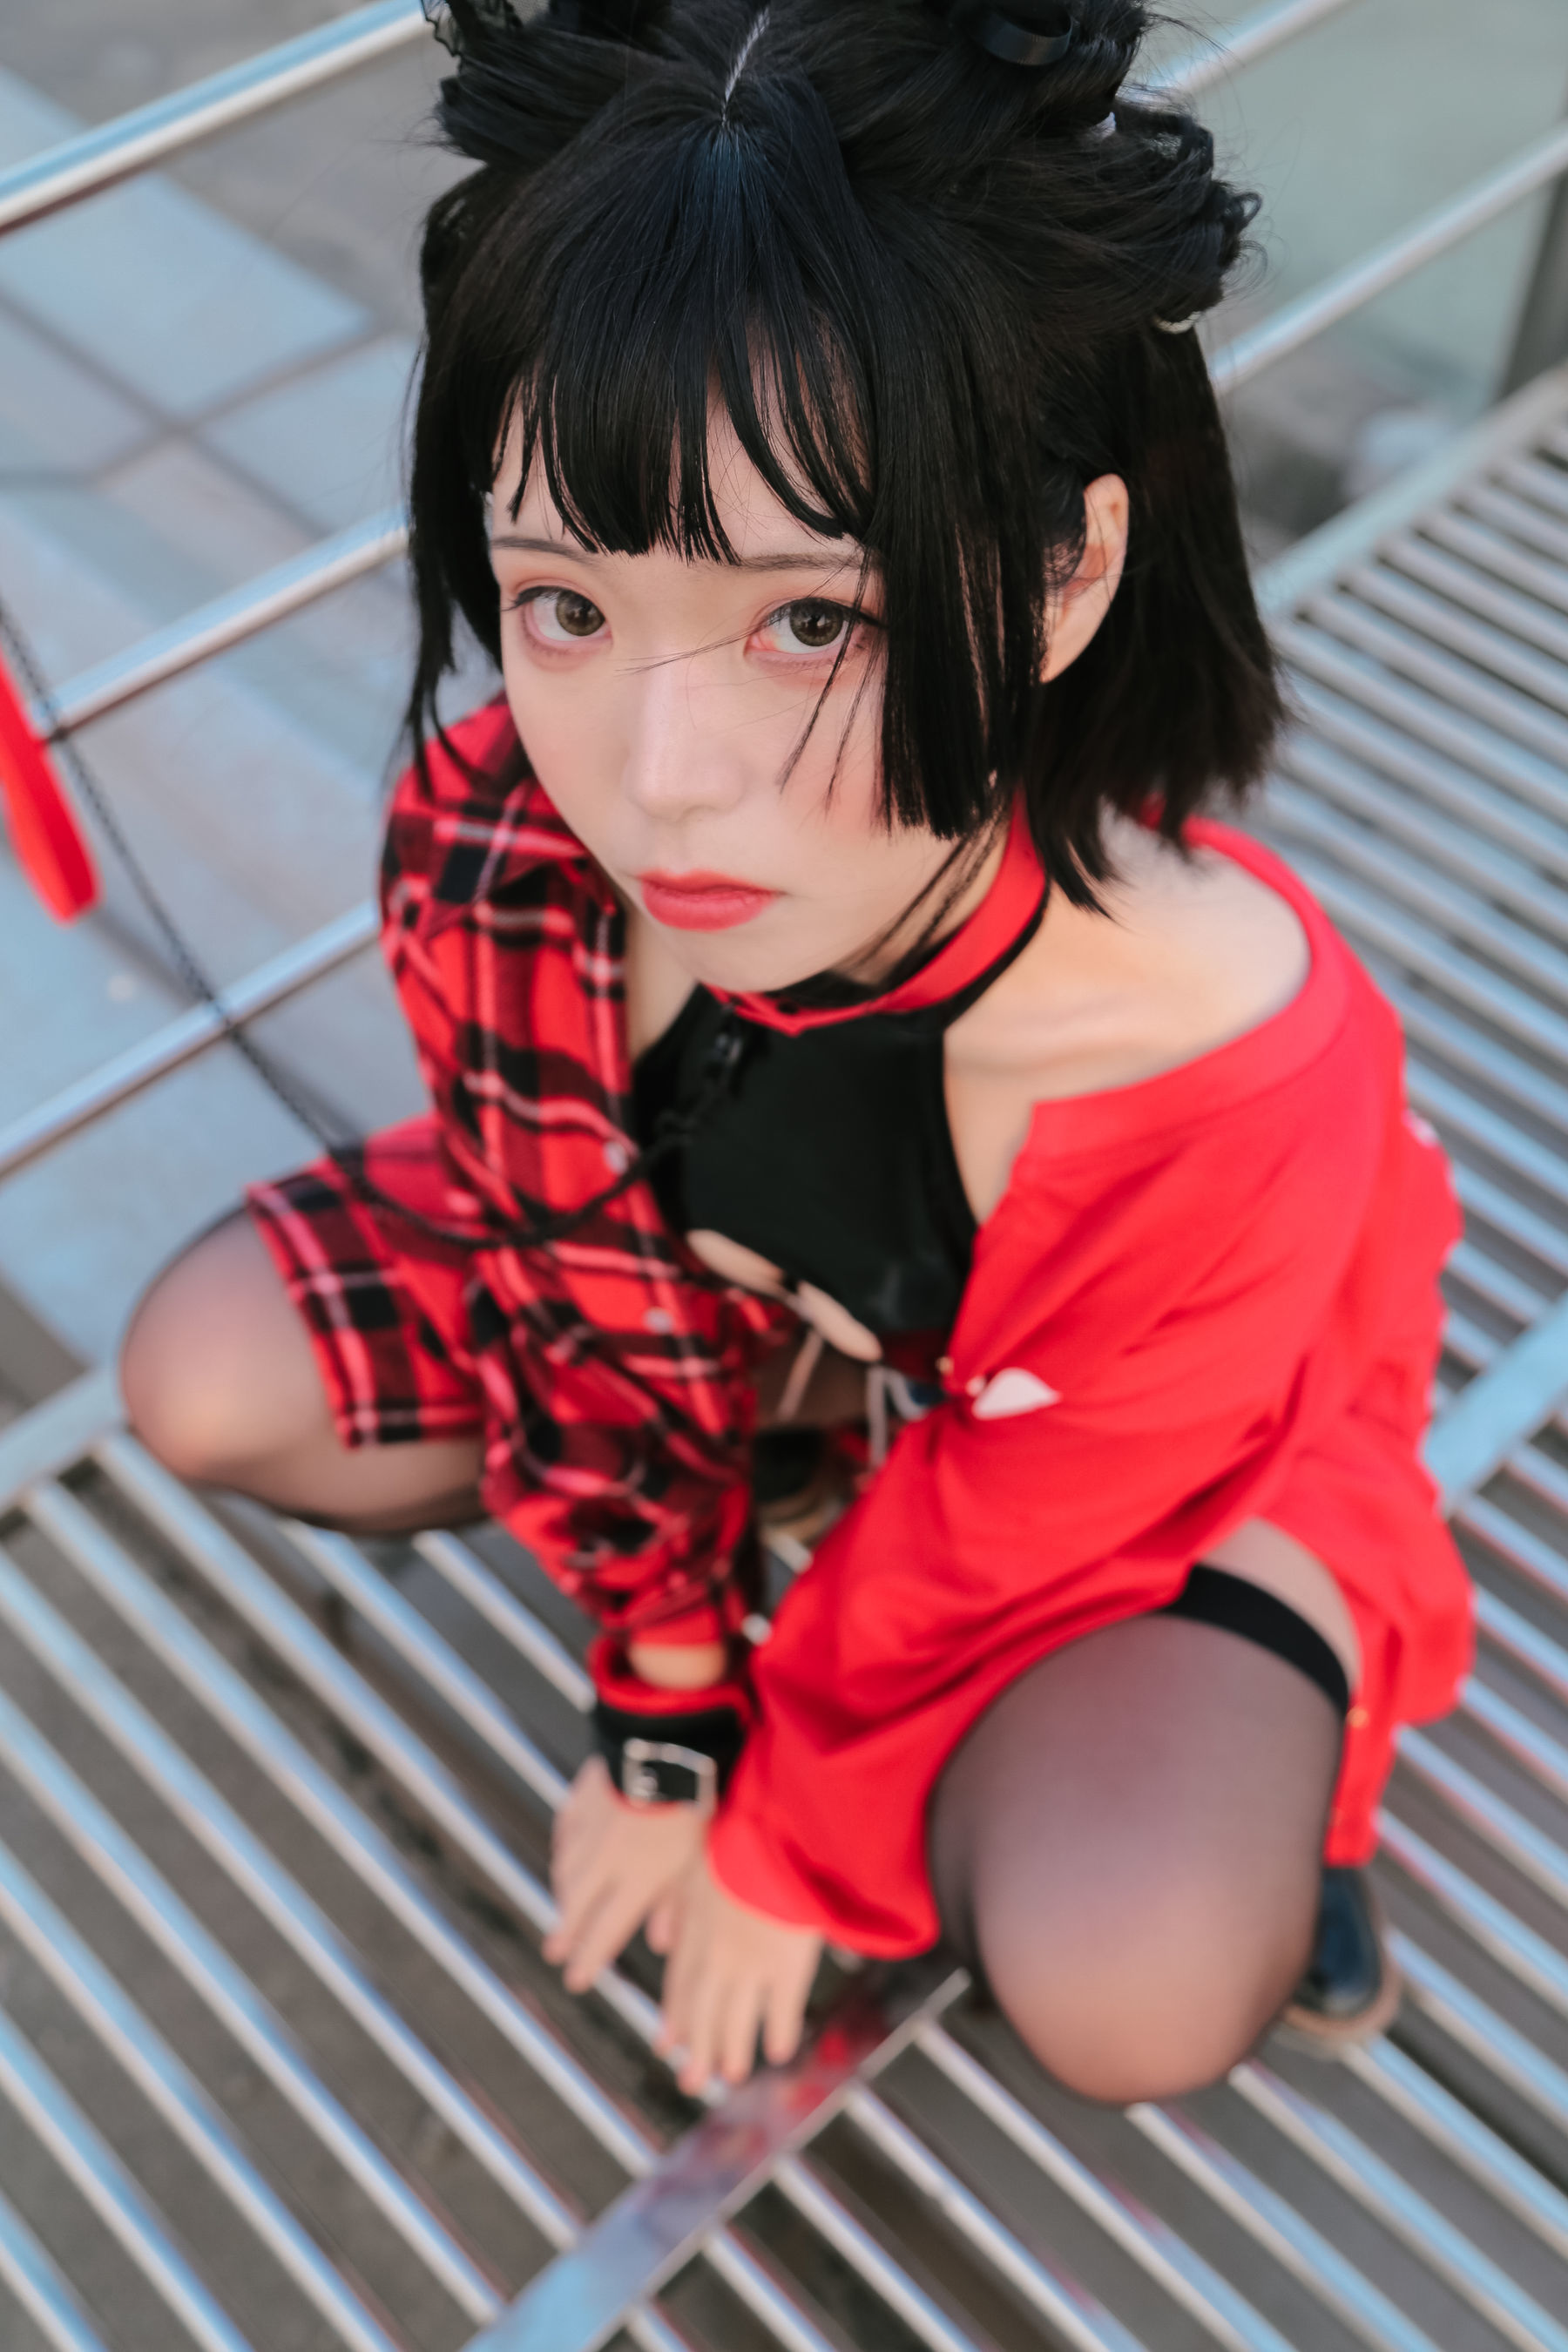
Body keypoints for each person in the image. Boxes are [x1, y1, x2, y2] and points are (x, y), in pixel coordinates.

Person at [118, 0, 1472, 2105]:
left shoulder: (1210, 1066)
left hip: (1169, 1443)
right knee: (212, 1372)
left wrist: (783, 1840)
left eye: (812, 621)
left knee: (1127, 1966)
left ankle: (1253, 1739)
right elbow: (580, 1290)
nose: (661, 781)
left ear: (1061, 575)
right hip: (780, 1348)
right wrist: (667, 1702)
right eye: (568, 605)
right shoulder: (506, 845)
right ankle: (820, 1513)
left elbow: (1011, 1528)